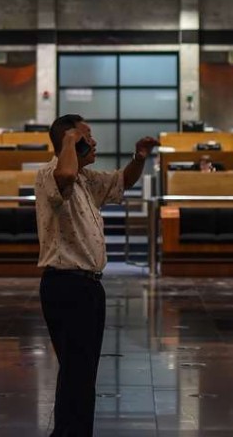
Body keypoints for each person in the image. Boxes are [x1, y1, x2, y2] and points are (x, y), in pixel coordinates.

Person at [35, 114, 158, 437]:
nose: (95, 142)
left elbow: (122, 181)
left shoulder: (87, 180)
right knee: (76, 372)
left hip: (88, 287)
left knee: (82, 372)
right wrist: (68, 141)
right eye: (87, 137)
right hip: (66, 284)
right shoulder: (52, 173)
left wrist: (139, 158)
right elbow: (64, 171)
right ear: (71, 140)